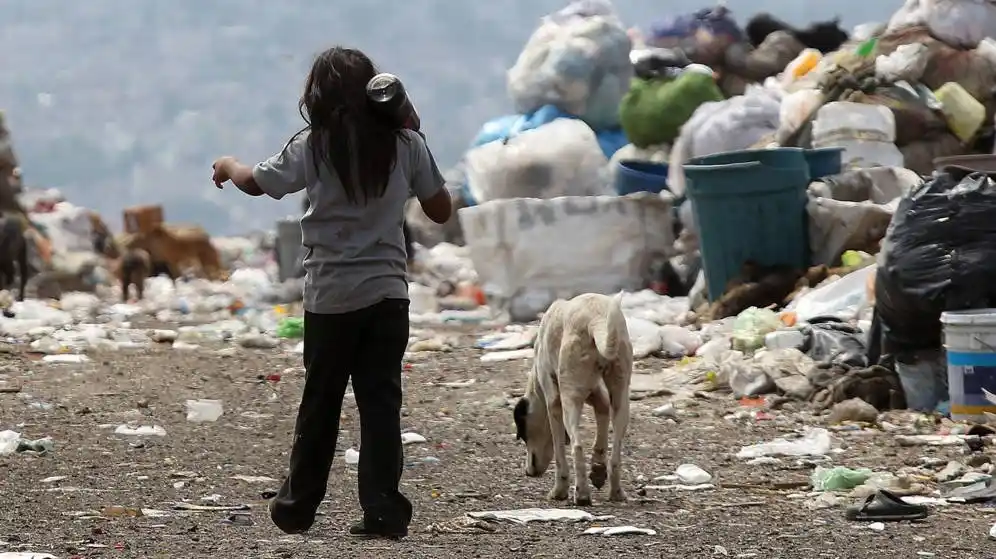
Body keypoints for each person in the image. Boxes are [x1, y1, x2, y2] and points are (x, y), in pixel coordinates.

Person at [210, 46, 452, 539]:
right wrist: (416, 130)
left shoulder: (313, 145)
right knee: (380, 405)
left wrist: (227, 164)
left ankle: (297, 507)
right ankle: (383, 512)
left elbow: (258, 183)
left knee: (321, 402)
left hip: (330, 298)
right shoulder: (405, 144)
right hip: (388, 296)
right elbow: (441, 210)